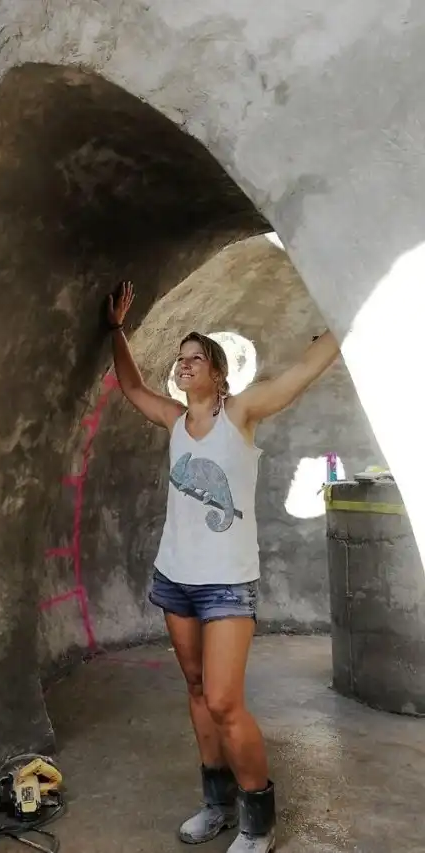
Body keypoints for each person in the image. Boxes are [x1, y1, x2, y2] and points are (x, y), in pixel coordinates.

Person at [106, 281, 340, 853]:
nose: (184, 364)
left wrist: (343, 320)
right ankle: (216, 804)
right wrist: (115, 330)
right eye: (180, 358)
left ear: (217, 372)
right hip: (175, 579)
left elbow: (300, 373)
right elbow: (132, 386)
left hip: (227, 586)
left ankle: (258, 822)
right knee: (195, 689)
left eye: (195, 358)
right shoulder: (173, 420)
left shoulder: (241, 412)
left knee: (223, 701)